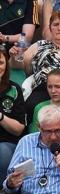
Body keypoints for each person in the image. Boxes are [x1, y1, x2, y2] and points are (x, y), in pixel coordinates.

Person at [0, 45, 26, 177]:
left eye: (0, 63)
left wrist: (1, 117)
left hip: (6, 143)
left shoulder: (14, 89)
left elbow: (19, 129)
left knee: (2, 151)